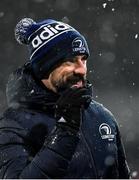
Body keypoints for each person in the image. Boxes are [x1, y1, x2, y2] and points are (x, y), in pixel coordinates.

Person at [0, 18, 130, 179]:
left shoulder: (102, 116)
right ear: (44, 67)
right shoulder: (13, 124)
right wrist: (65, 129)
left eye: (84, 59)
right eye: (70, 60)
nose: (82, 70)